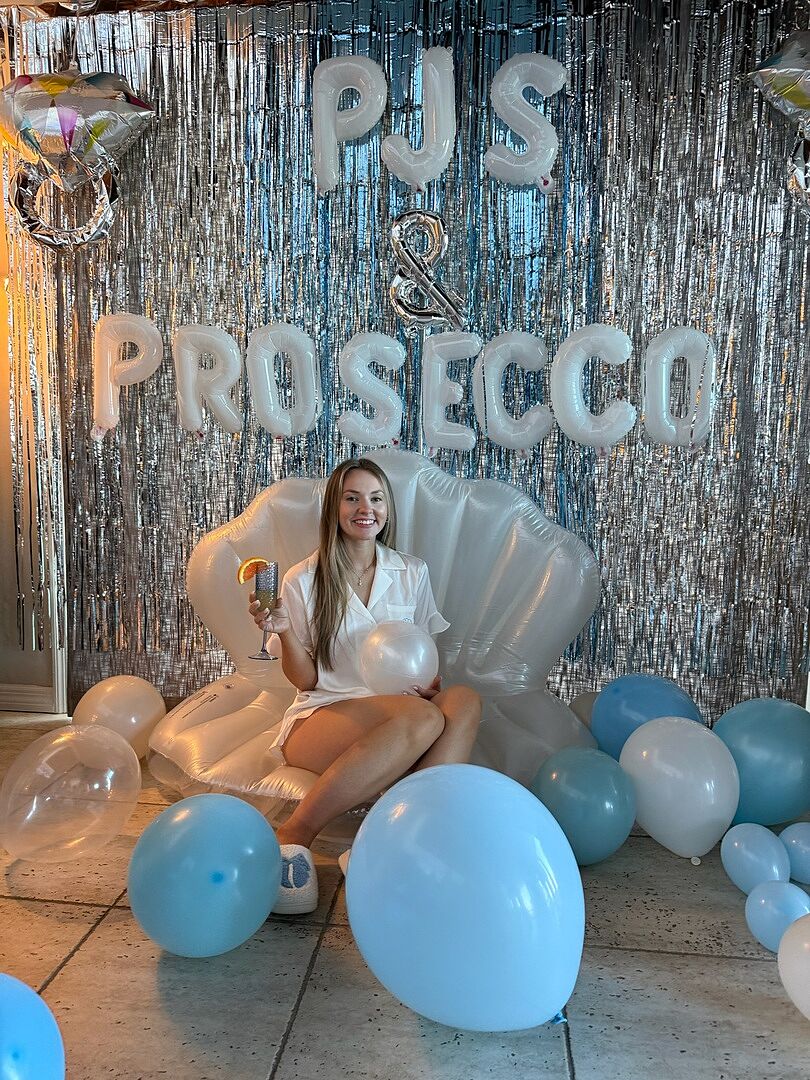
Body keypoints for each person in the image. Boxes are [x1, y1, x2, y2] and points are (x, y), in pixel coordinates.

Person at [249, 457, 481, 914]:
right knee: (422, 719)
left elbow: (420, 653)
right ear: (334, 508)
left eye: (375, 499)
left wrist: (431, 686)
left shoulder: (412, 572)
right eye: (352, 498)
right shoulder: (303, 578)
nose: (365, 509)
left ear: (388, 509)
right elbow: (306, 679)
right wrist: (284, 631)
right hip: (323, 713)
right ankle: (294, 833)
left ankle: (384, 843)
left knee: (463, 700)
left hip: (401, 711)